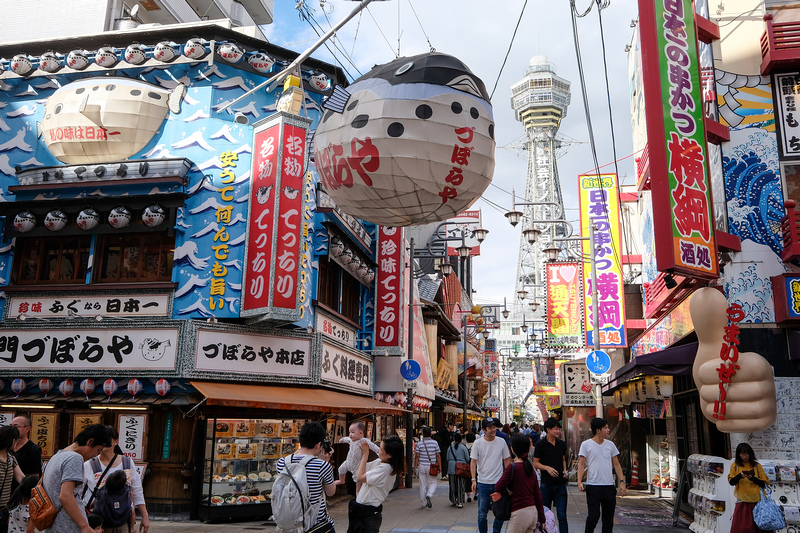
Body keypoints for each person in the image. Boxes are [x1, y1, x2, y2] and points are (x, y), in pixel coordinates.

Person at [41, 424, 112, 533]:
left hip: (54, 525)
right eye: (98, 450)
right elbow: (65, 496)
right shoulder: (74, 458)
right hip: (67, 525)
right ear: (90, 442)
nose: (95, 456)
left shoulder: (57, 456)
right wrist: (84, 526)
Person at [82, 427, 149, 533]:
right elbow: (79, 494)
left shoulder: (127, 463)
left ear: (116, 442)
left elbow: (137, 490)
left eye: (106, 439)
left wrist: (145, 516)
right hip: (98, 524)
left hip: (123, 521)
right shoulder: (89, 465)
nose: (103, 443)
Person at [275, 422, 336, 533]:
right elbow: (330, 492)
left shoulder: (281, 463)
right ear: (318, 445)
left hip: (290, 526)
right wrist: (326, 461)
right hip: (316, 525)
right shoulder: (323, 465)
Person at [577, 418, 626, 533]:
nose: (608, 430)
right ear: (598, 430)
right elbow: (581, 464)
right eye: (606, 428)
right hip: (593, 486)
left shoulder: (610, 445)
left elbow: (617, 464)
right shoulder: (586, 445)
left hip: (609, 486)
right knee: (593, 517)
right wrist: (579, 481)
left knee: (608, 520)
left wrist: (622, 481)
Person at [347, 436, 404, 533]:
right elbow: (359, 470)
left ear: (389, 455)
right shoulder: (380, 462)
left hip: (369, 513)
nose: (378, 450)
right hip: (361, 510)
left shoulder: (386, 469)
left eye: (381, 449)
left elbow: (360, 477)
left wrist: (365, 454)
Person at [494, 434, 546, 533]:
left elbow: (498, 487)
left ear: (513, 449)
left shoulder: (513, 467)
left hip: (519, 513)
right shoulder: (530, 467)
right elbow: (537, 495)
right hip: (532, 513)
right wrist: (542, 518)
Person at [471, 417, 512, 533]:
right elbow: (473, 462)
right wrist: (473, 479)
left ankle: (496, 531)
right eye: (490, 428)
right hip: (483, 483)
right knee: (482, 514)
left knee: (500, 513)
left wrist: (507, 478)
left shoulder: (501, 442)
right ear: (484, 430)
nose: (493, 430)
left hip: (498, 483)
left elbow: (507, 460)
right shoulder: (477, 443)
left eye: (494, 427)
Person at [533, 418, 569, 533]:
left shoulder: (562, 444)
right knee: (544, 516)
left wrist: (565, 470)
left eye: (559, 429)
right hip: (546, 485)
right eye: (556, 429)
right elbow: (536, 463)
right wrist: (547, 468)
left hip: (560, 485)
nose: (558, 431)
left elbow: (563, 459)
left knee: (562, 516)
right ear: (548, 430)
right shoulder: (540, 445)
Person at [728, 442, 770, 532]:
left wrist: (753, 479)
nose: (745, 456)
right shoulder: (735, 466)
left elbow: (765, 483)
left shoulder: (757, 466)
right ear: (739, 455)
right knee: (742, 529)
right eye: (742, 454)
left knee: (759, 528)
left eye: (747, 454)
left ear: (750, 454)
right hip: (742, 501)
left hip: (758, 502)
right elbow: (731, 482)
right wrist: (740, 476)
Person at [334, 422, 380, 495]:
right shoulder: (350, 440)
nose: (350, 434)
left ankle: (358, 495)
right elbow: (346, 438)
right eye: (349, 432)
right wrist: (342, 440)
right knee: (341, 469)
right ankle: (341, 480)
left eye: (353, 432)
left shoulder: (364, 441)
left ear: (361, 433)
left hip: (357, 465)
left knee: (358, 482)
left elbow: (373, 446)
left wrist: (378, 451)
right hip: (348, 462)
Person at [0, 426, 26, 533]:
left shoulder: (10, 458)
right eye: (17, 440)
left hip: (4, 509)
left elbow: (21, 478)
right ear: (12, 440)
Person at [10, 418, 41, 493]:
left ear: (27, 429)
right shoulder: (6, 446)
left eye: (16, 427)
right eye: (10, 426)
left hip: (20, 491)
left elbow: (35, 475)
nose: (12, 429)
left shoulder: (33, 449)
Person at [413, 427, 441, 509]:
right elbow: (438, 455)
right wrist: (440, 465)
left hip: (422, 465)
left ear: (423, 434)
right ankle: (429, 494)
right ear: (431, 434)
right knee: (433, 482)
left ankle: (423, 502)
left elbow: (417, 456)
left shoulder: (420, 444)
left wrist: (415, 465)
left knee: (422, 484)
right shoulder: (435, 443)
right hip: (431, 465)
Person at [445, 433, 470, 508]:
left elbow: (447, 458)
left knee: (452, 485)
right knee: (460, 485)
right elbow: (467, 458)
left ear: (454, 439)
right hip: (461, 467)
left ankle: (453, 499)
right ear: (461, 440)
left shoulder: (450, 448)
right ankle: (460, 501)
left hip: (451, 467)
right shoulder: (463, 447)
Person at [464, 432, 476, 503]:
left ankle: (468, 496)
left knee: (468, 480)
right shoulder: (475, 446)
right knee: (475, 478)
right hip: (475, 464)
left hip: (467, 465)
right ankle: (476, 494)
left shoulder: (464, 446)